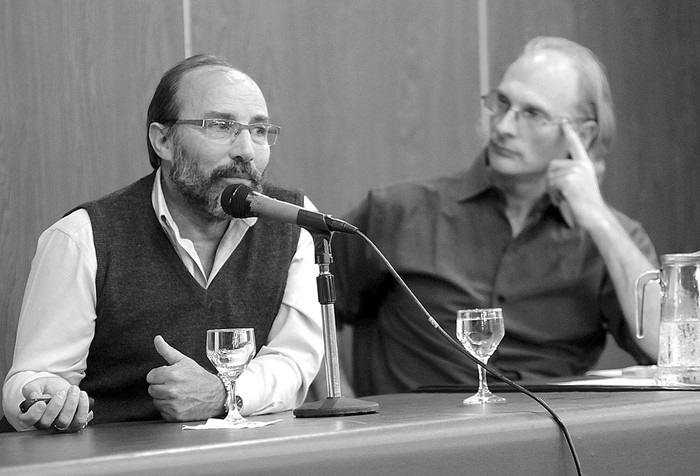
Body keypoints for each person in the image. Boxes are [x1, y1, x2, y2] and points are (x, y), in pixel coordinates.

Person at [2, 54, 324, 432]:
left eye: (258, 130)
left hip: (239, 460)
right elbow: (31, 381)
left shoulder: (292, 222)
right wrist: (49, 398)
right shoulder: (83, 236)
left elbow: (294, 359)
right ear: (163, 140)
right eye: (220, 125)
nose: (247, 150)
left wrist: (224, 395)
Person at [331, 37, 660, 397]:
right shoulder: (397, 212)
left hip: (554, 440)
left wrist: (599, 219)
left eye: (532, 114)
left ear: (580, 134)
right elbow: (305, 309)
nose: (503, 127)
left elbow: (666, 350)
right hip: (415, 440)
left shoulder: (614, 239)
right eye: (501, 103)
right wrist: (346, 410)